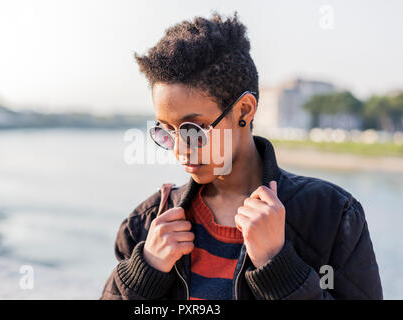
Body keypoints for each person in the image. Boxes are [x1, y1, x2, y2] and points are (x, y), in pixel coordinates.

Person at [101, 12, 382, 300]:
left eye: (192, 129)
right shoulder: (147, 223)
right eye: (167, 130)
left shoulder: (333, 215)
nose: (178, 148)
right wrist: (144, 272)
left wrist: (277, 266)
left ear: (244, 110)